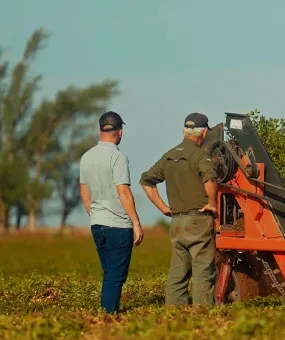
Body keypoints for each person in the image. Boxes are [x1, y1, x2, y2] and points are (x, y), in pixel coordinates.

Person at [139, 112, 219, 306]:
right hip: (198, 221)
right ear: (202, 134)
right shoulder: (199, 155)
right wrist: (212, 203)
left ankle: (174, 316)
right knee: (203, 272)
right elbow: (210, 179)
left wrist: (163, 208)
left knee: (178, 273)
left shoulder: (170, 155)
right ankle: (202, 317)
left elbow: (146, 181)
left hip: (176, 223)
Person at [79, 111, 144, 314]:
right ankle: (108, 315)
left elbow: (84, 192)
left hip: (97, 223)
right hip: (118, 225)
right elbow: (123, 191)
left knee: (109, 273)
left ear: (100, 130)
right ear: (120, 132)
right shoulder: (118, 157)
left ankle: (106, 313)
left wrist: (96, 214)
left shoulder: (86, 157)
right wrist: (136, 223)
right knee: (116, 275)